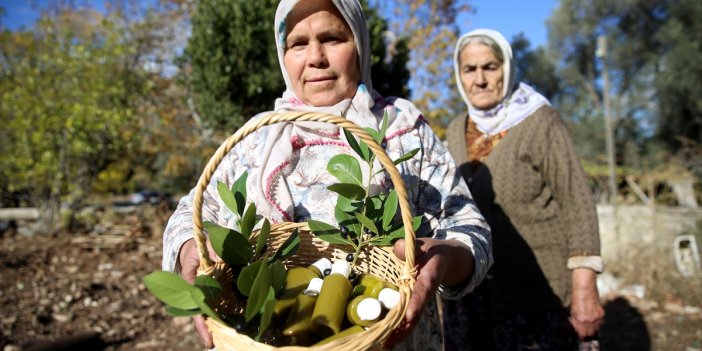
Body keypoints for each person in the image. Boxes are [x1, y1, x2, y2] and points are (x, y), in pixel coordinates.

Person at [162, 1, 493, 350]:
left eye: (332, 38)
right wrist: (190, 253)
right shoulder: (255, 139)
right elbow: (192, 214)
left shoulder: (404, 130)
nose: (315, 57)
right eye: (298, 43)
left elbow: (469, 229)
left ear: (360, 45)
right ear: (283, 53)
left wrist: (443, 257)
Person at [444, 28, 605, 350]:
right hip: (470, 296)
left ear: (507, 67)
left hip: (535, 295)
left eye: (490, 67)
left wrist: (585, 288)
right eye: (469, 69)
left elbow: (577, 202)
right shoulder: (455, 128)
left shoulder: (540, 121)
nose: (480, 80)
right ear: (459, 76)